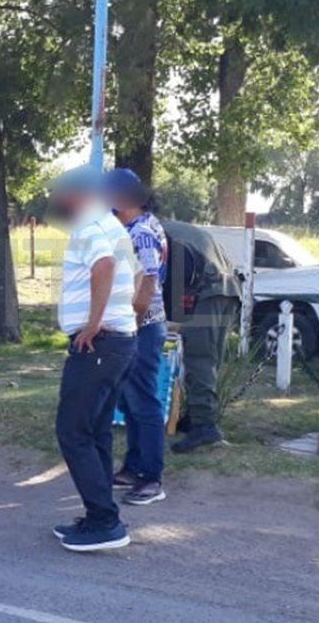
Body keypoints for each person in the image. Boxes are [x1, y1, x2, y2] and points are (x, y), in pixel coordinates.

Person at [49, 163, 140, 553]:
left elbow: (104, 267)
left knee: (72, 430)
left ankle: (105, 521)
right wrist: (121, 317)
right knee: (97, 431)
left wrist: (93, 323)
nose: (56, 200)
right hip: (119, 340)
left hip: (98, 343)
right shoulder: (112, 223)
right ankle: (99, 513)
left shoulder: (89, 225)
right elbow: (136, 278)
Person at [105, 169, 168, 506]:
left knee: (143, 401)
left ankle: (151, 477)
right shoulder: (133, 227)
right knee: (130, 400)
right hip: (136, 323)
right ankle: (133, 466)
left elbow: (147, 283)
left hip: (141, 325)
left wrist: (133, 323)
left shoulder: (141, 232)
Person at [162, 220, 241, 454]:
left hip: (207, 293)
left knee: (199, 360)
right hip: (228, 290)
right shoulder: (174, 228)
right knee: (210, 360)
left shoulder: (152, 233)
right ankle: (199, 416)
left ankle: (205, 427)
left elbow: (174, 275)